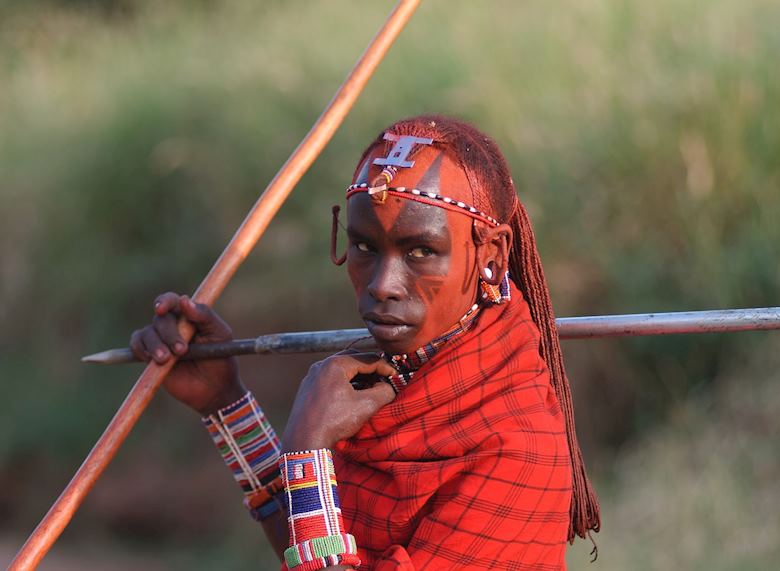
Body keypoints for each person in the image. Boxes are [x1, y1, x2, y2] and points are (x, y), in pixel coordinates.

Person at [130, 115, 600, 570]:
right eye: (364, 248)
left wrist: (308, 450)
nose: (382, 285)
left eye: (421, 251)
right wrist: (224, 402)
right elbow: (315, 544)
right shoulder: (401, 379)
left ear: (491, 256)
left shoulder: (515, 444)